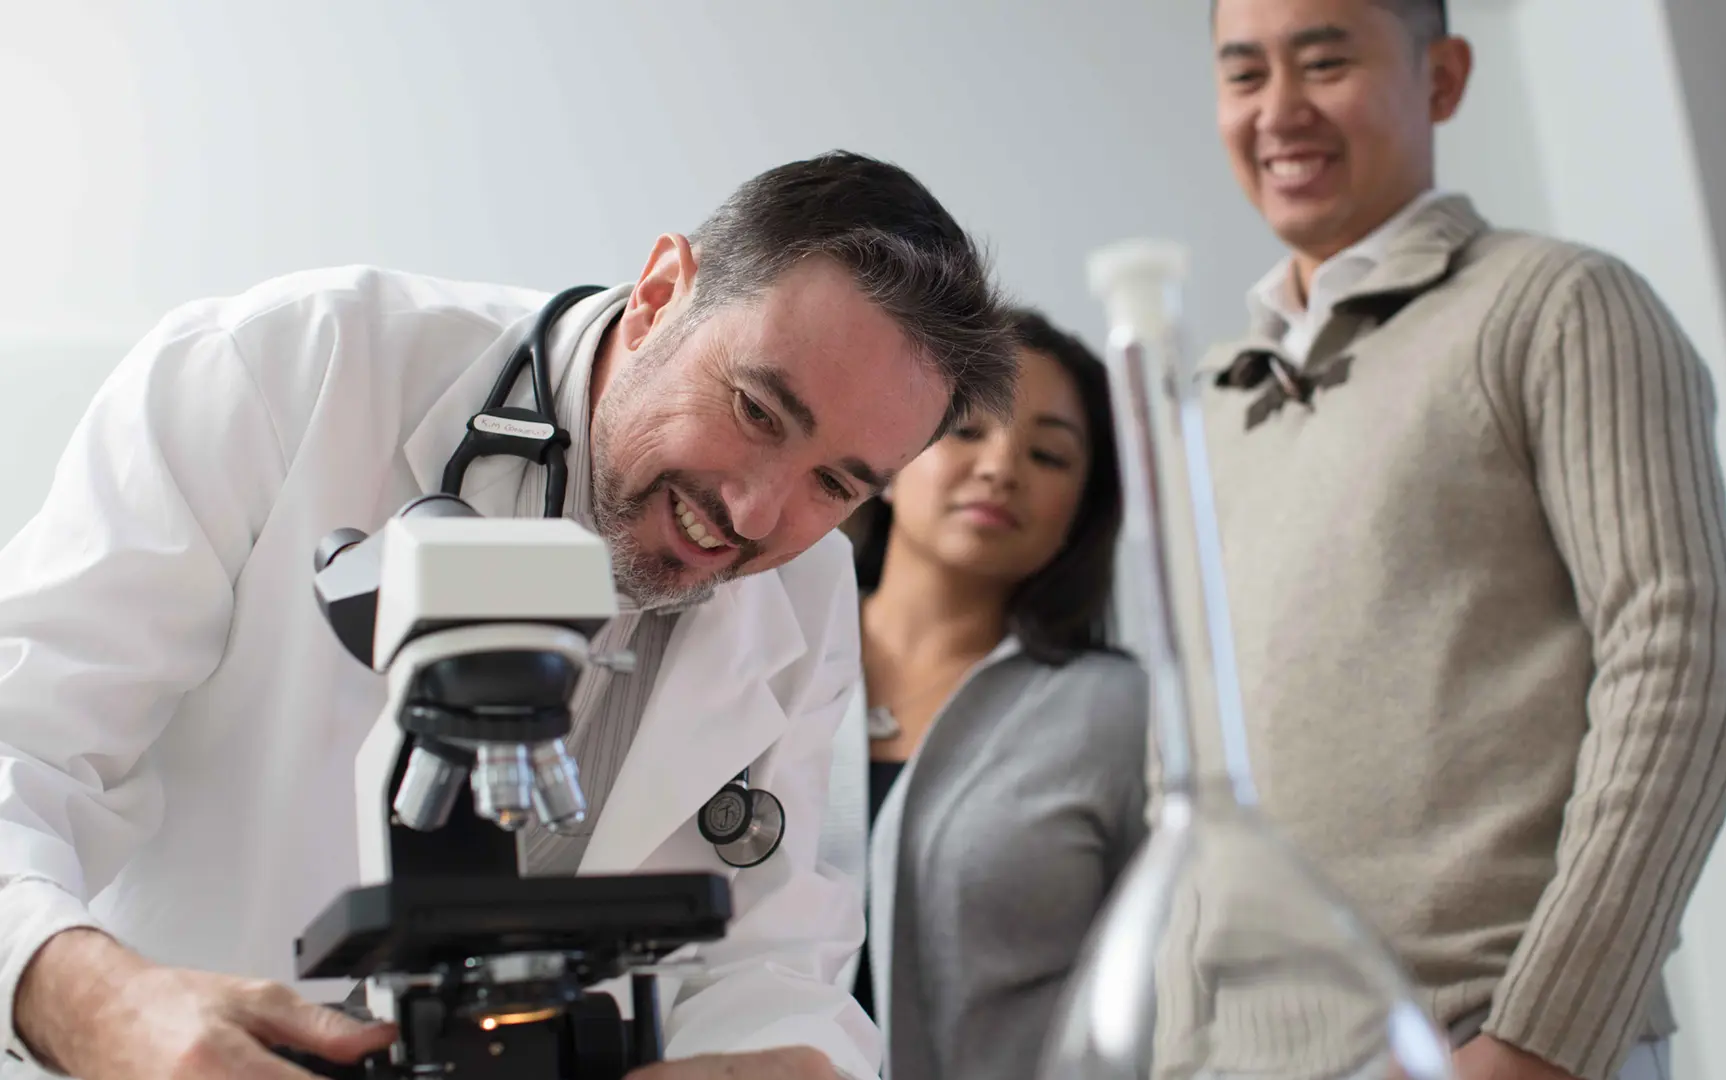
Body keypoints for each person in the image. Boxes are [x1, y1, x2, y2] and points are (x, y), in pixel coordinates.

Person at [0, 150, 1017, 1080]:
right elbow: (22, 751)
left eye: (834, 485)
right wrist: (92, 1006)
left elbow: (774, 950)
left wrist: (789, 1057)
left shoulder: (808, 589)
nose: (756, 513)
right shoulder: (285, 369)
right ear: (663, 293)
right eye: (755, 410)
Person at [1191, 2, 1726, 1079]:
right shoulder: (1214, 402)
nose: (1279, 111)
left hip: (1486, 1042)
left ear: (1443, 78)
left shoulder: (1557, 306)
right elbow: (1186, 770)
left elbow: (1683, 664)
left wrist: (1540, 1039)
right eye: (1243, 75)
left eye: (1324, 62)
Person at [824, 310, 1146, 1079]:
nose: (1003, 466)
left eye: (1048, 454)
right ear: (892, 454)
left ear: (1081, 513)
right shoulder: (770, 657)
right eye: (968, 430)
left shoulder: (1123, 713)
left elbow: (1171, 985)